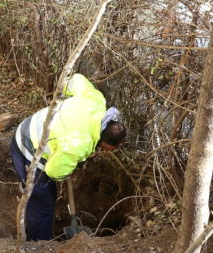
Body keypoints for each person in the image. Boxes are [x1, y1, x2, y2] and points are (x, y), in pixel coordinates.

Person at [10, 74, 127, 241]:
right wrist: (69, 166)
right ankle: (39, 244)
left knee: (44, 195)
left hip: (32, 125)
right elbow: (53, 171)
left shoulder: (95, 101)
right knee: (43, 201)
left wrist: (62, 91)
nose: (109, 151)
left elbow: (75, 79)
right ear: (104, 140)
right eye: (111, 148)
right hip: (28, 149)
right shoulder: (80, 143)